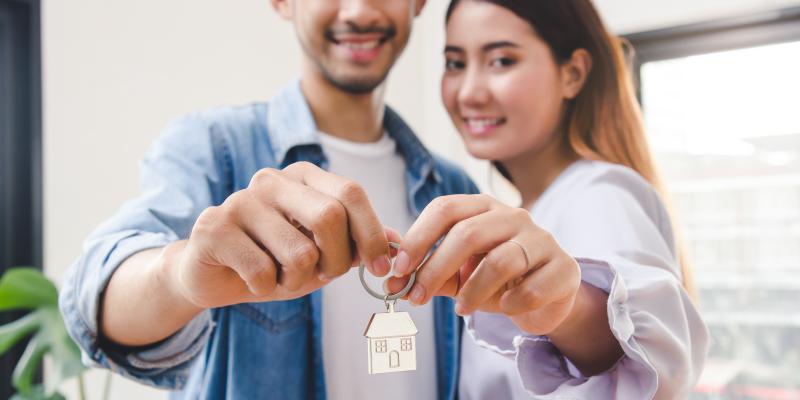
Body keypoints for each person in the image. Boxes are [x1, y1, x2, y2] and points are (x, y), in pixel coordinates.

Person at [58, 0, 486, 398]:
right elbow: (97, 294)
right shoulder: (216, 148)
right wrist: (181, 276)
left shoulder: (454, 188)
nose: (358, 11)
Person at [387, 0, 709, 399]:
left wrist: (568, 309)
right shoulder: (536, 206)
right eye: (455, 63)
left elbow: (645, 351)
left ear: (572, 74)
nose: (469, 92)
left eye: (502, 60)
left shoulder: (600, 194)